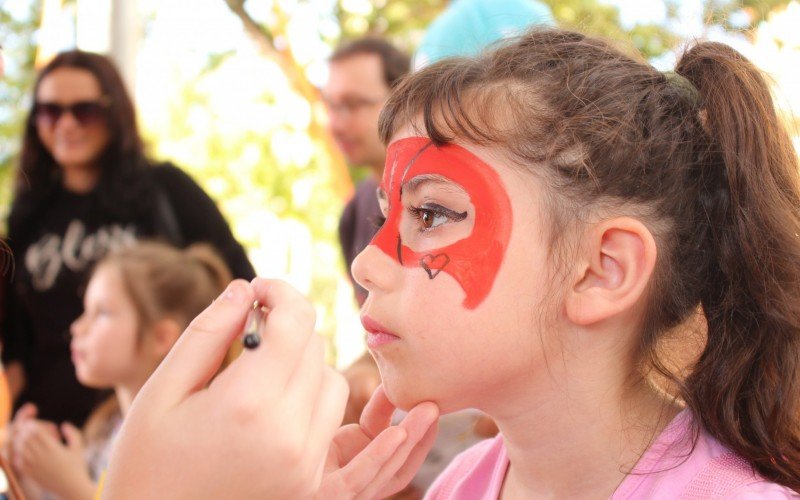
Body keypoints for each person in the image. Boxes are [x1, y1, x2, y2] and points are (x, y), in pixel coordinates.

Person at [105, 27, 800, 497]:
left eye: (432, 214)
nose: (366, 266)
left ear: (602, 270)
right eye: (386, 215)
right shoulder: (464, 482)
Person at [1, 50, 255, 428]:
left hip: (159, 422)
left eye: (83, 110)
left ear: (114, 112)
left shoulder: (164, 188)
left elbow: (241, 288)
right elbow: (14, 341)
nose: (66, 124)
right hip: (52, 432)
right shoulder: (27, 212)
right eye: (50, 111)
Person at [8, 241, 237, 499]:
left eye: (101, 312)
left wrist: (73, 487)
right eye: (86, 311)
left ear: (161, 337)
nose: (77, 327)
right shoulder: (106, 427)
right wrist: (26, 475)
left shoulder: (184, 443)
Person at [325, 38, 411, 305]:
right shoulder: (353, 214)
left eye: (353, 104)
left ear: (402, 100)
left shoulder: (447, 200)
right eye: (330, 105)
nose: (336, 124)